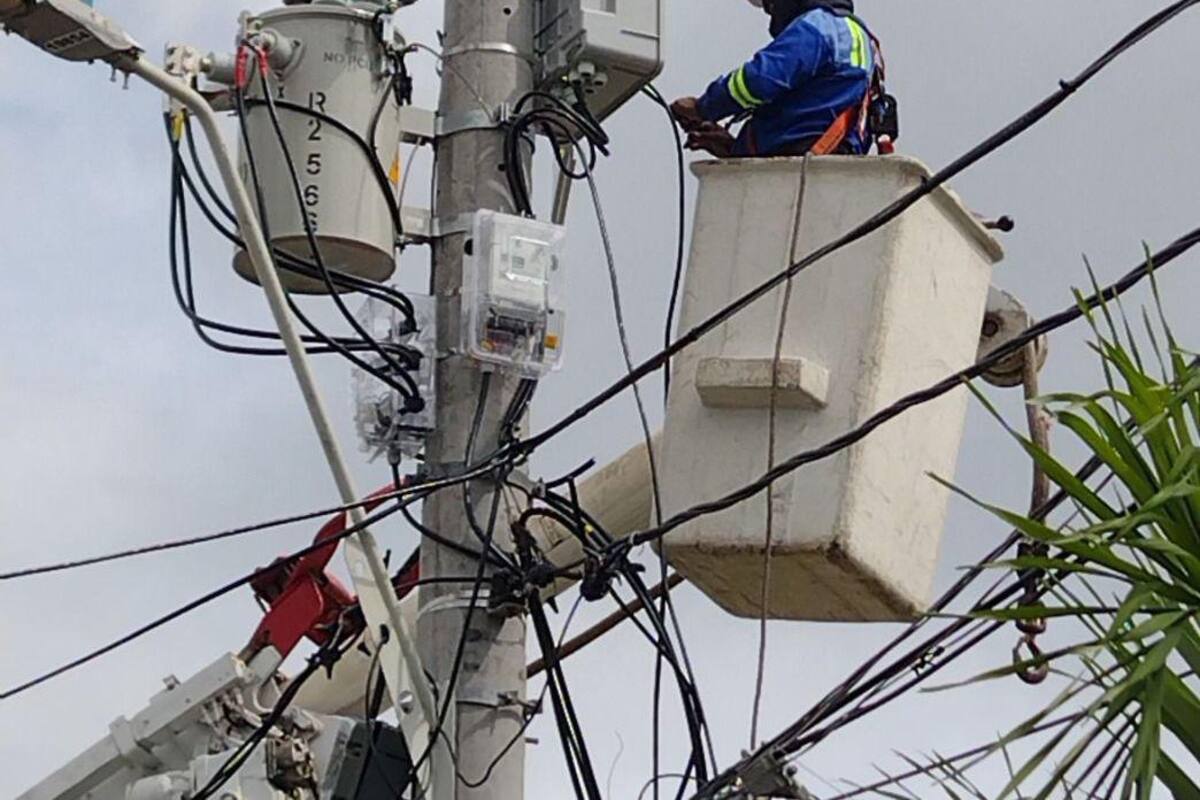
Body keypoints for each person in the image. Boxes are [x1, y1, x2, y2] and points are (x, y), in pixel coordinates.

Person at [671, 0, 885, 158]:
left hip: (797, 174)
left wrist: (702, 107)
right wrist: (734, 148)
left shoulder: (819, 28)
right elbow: (813, 115)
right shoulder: (861, 41)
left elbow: (757, 81)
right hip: (817, 171)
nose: (770, 12)